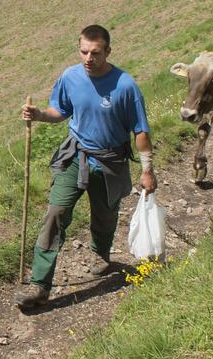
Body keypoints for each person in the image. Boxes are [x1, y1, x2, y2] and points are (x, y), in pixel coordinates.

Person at [14, 25, 156, 310]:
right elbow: (61, 110)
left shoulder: (125, 86)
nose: (88, 58)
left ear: (108, 51)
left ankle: (101, 253)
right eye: (83, 52)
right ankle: (40, 286)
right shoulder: (71, 76)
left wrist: (147, 170)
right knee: (55, 212)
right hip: (75, 156)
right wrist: (40, 114)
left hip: (111, 161)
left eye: (95, 53)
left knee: (105, 215)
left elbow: (140, 131)